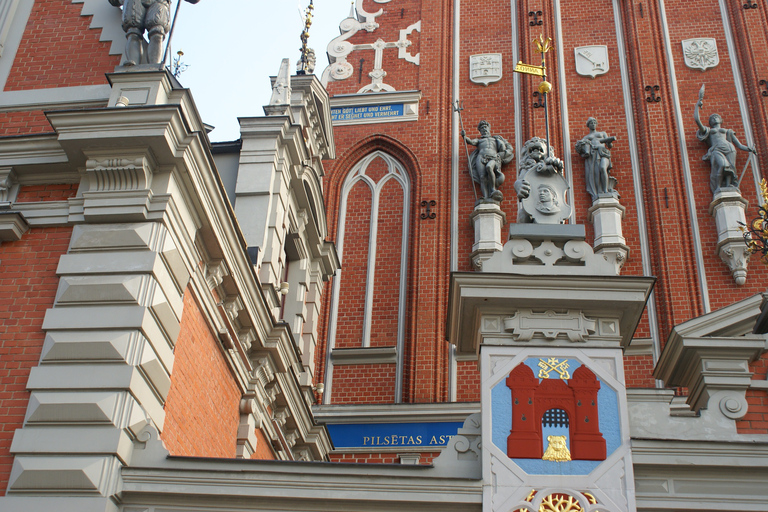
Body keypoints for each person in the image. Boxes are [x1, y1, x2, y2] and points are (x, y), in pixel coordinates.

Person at [110, 0, 200, 66]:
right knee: (133, 31)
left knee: (157, 32)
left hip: (159, 2)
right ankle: (132, 62)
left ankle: (154, 65)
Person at [694, 97, 756, 193]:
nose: (714, 118)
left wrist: (749, 149)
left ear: (721, 120)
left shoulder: (728, 131)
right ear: (710, 122)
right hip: (717, 149)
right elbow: (697, 120)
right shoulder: (709, 131)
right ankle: (717, 187)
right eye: (712, 118)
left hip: (730, 148)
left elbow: (739, 145)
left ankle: (728, 185)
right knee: (723, 165)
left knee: (731, 168)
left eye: (716, 117)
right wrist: (697, 105)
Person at [460, 120, 514, 203]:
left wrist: (502, 154)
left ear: (489, 128)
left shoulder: (496, 139)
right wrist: (464, 136)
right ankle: (485, 197)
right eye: (482, 128)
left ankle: (493, 189)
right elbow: (471, 141)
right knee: (482, 177)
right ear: (480, 131)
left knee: (489, 167)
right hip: (481, 157)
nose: (484, 129)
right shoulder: (479, 141)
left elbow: (507, 148)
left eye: (485, 127)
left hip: (493, 157)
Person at [575, 117, 616, 202]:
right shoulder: (587, 137)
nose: (593, 124)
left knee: (602, 168)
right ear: (588, 125)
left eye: (594, 122)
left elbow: (609, 146)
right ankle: (599, 191)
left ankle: (606, 190)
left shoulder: (602, 133)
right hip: (594, 155)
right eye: (591, 123)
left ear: (596, 124)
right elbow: (580, 146)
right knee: (596, 173)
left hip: (603, 153)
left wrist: (609, 142)